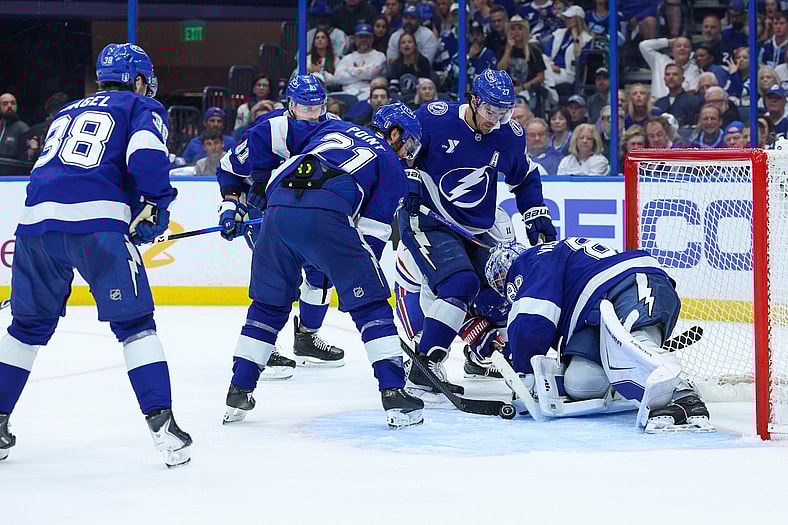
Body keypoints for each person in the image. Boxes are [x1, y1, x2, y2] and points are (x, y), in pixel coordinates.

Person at [0, 43, 191, 467]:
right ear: (139, 80)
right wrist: (157, 204)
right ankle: (163, 426)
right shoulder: (141, 105)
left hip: (33, 227)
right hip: (97, 226)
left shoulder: (67, 110)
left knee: (25, 329)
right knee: (136, 325)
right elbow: (145, 157)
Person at [221, 102, 425, 428]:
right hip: (328, 214)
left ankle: (239, 389)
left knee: (268, 306)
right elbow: (371, 236)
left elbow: (266, 132)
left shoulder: (332, 126)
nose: (408, 154)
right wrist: (351, 282)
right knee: (372, 303)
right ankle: (394, 394)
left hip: (276, 209)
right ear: (395, 133)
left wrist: (249, 192)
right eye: (409, 145)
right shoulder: (391, 167)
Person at [397, 69, 556, 396]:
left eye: (503, 112)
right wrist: (409, 179)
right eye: (489, 111)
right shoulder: (434, 118)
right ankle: (425, 365)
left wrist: (535, 212)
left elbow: (524, 178)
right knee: (458, 283)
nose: (495, 120)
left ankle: (482, 354)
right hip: (429, 220)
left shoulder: (509, 134)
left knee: (507, 284)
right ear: (474, 100)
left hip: (476, 228)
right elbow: (396, 150)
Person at [482, 239, 713, 432]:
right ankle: (632, 377)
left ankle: (683, 394)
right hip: (593, 314)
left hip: (629, 283)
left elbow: (532, 318)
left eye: (502, 278)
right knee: (581, 383)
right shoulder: (551, 260)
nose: (504, 285)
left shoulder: (531, 260)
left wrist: (523, 369)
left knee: (639, 340)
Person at [216, 75, 347, 378]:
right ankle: (266, 346)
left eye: (317, 107)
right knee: (275, 281)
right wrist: (230, 206)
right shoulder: (267, 130)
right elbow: (229, 169)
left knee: (321, 274)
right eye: (305, 107)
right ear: (291, 104)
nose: (312, 114)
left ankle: (307, 337)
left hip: (315, 214)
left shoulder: (336, 128)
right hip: (268, 213)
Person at [544, 5, 593, 97]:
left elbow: (581, 58)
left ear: (578, 20)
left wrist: (575, 39)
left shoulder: (586, 39)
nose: (566, 20)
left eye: (569, 18)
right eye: (566, 18)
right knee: (541, 59)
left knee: (543, 79)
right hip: (550, 68)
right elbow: (547, 53)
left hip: (566, 72)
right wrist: (551, 65)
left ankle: (550, 90)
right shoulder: (559, 33)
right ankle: (551, 90)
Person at [332, 23, 387, 101]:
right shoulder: (347, 58)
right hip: (348, 94)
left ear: (372, 39)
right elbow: (337, 77)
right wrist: (364, 76)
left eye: (367, 37)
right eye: (360, 37)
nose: (363, 40)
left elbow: (372, 73)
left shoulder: (379, 56)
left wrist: (350, 70)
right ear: (355, 39)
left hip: (369, 95)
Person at [497, 16, 546, 96]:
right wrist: (508, 49)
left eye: (520, 28)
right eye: (513, 29)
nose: (517, 32)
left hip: (529, 91)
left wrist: (522, 88)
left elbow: (540, 77)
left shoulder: (534, 51)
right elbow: (500, 70)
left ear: (525, 31)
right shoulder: (503, 50)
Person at [19, 92, 70, 163]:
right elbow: (22, 159)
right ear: (49, 110)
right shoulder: (34, 132)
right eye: (54, 110)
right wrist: (32, 151)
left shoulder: (71, 130)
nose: (56, 116)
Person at [387, 32, 435, 101]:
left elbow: (424, 84)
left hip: (420, 97)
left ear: (415, 45)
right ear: (400, 48)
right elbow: (394, 85)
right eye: (403, 43)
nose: (406, 45)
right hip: (401, 96)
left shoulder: (423, 61)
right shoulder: (396, 63)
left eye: (409, 42)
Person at [0, 93, 29, 159]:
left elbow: (24, 158)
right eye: (5, 104)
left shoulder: (23, 128)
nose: (10, 106)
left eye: (13, 103)